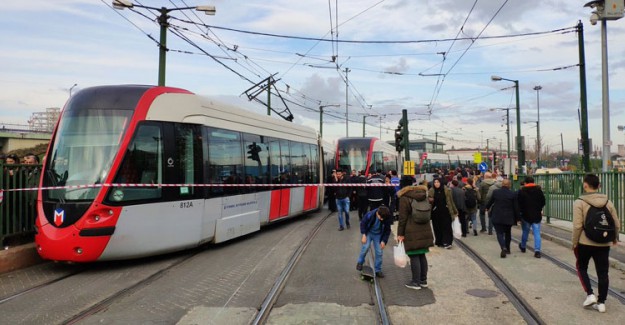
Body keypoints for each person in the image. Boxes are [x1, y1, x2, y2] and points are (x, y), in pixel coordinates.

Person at [572, 174, 620, 313]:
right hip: (603, 243)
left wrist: (575, 242)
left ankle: (590, 294)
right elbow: (616, 223)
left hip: (585, 242)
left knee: (581, 267)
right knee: (603, 272)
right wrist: (614, 238)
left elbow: (577, 226)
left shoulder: (579, 202)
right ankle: (602, 303)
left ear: (585, 185)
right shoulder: (608, 202)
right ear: (599, 186)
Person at [397, 176, 434, 290]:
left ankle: (415, 282)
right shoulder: (423, 195)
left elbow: (402, 218)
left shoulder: (405, 198)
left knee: (413, 255)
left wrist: (400, 234)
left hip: (411, 230)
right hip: (425, 229)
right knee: (422, 255)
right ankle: (423, 280)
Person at [355, 206, 392, 278]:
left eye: (383, 218)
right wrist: (364, 234)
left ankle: (378, 270)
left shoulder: (386, 217)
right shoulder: (370, 214)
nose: (382, 219)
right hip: (369, 232)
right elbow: (363, 223)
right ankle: (360, 262)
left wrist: (384, 241)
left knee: (379, 252)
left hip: (378, 235)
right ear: (377, 213)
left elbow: (387, 230)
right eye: (380, 217)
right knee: (365, 247)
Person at [485, 179, 519, 258]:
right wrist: (518, 218)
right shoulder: (512, 194)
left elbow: (490, 202)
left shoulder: (496, 192)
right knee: (508, 233)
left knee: (499, 233)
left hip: (497, 216)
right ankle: (508, 249)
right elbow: (516, 207)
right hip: (508, 217)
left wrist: (486, 208)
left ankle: (503, 247)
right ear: (509, 185)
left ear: (502, 184)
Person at [517, 176, 546, 258]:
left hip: (525, 215)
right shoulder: (538, 190)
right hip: (536, 215)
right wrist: (539, 208)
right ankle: (537, 250)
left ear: (525, 182)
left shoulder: (521, 191)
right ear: (533, 182)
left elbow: (519, 203)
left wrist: (520, 213)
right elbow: (543, 201)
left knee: (525, 232)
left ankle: (523, 246)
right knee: (537, 233)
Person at [428, 178, 458, 248]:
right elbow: (428, 202)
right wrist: (430, 200)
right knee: (437, 227)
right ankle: (439, 241)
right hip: (435, 213)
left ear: (441, 182)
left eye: (438, 182)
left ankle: (447, 242)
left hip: (446, 211)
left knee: (447, 227)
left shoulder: (447, 190)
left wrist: (455, 211)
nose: (436, 183)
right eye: (435, 182)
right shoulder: (431, 190)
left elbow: (451, 201)